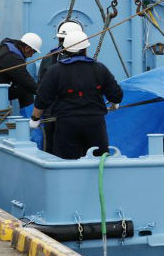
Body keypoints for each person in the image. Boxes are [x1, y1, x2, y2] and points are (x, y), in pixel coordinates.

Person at [30, 30, 123, 160]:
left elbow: (42, 99)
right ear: (85, 49)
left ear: (65, 49)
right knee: (98, 162)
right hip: (95, 124)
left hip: (67, 125)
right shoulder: (99, 69)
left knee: (66, 163)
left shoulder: (55, 71)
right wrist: (115, 103)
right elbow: (116, 95)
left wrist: (35, 119)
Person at [37, 20, 83, 153]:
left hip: (51, 114)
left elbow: (42, 88)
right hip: (72, 115)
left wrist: (37, 115)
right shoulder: (85, 63)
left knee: (51, 149)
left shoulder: (49, 58)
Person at [0, 33, 42, 108]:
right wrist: (45, 92)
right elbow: (27, 82)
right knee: (26, 88)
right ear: (27, 48)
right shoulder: (12, 58)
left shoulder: (8, 46)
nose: (31, 55)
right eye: (32, 52)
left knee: (23, 87)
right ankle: (30, 118)